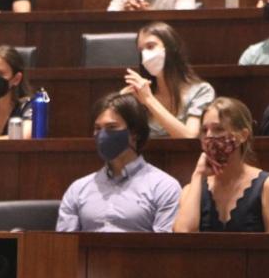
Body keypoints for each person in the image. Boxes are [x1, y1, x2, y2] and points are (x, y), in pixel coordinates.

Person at [56, 92, 181, 232]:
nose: (103, 135)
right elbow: (64, 247)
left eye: (112, 127)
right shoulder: (78, 190)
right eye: (98, 129)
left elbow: (165, 248)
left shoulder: (164, 187)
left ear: (135, 133)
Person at [174, 97, 269, 233]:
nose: (209, 136)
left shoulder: (268, 187)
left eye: (218, 129)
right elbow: (183, 235)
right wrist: (198, 174)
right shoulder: (191, 189)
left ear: (243, 135)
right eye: (205, 130)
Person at [123, 22, 214, 139]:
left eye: (150, 46)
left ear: (171, 48)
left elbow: (189, 137)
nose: (145, 54)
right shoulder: (137, 94)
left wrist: (149, 100)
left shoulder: (202, 91)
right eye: (141, 50)